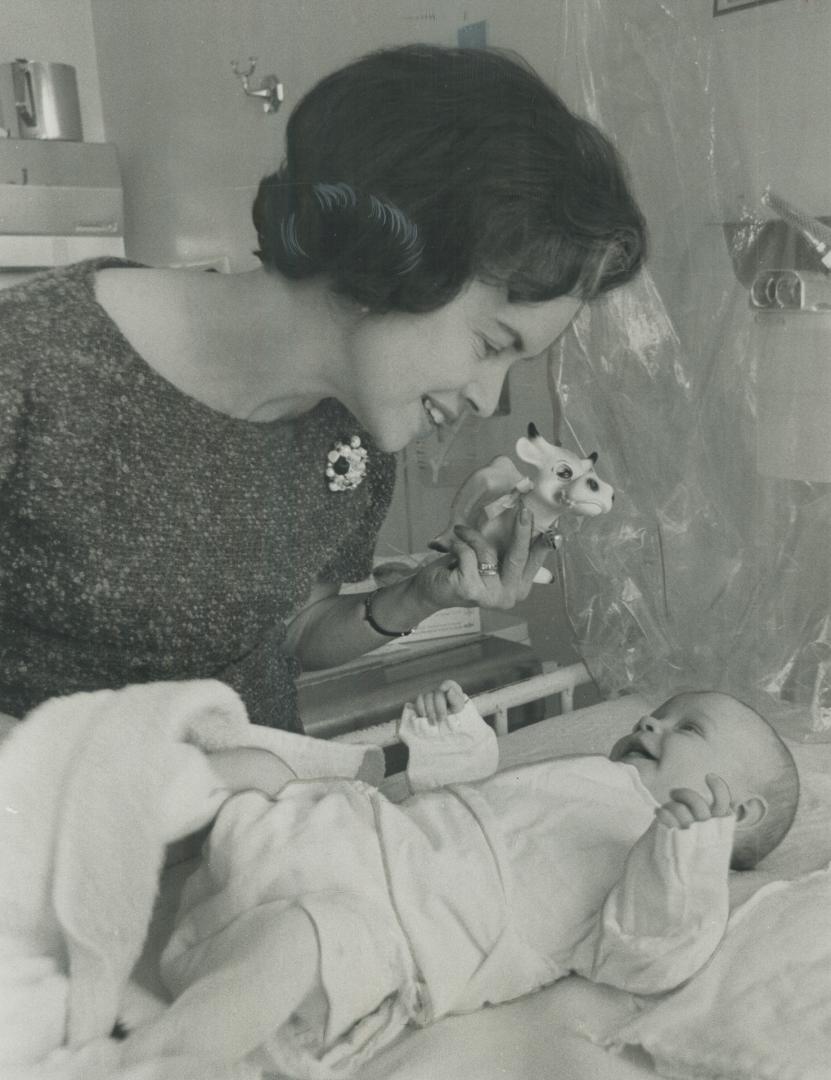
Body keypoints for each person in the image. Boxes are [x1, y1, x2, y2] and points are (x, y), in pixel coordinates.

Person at [0, 45, 646, 731]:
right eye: (492, 345)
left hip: (257, 821)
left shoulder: (354, 434)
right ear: (398, 255)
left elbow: (293, 633)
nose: (487, 399)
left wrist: (422, 595)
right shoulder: (33, 363)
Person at [121, 683, 799, 1075]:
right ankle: (98, 820)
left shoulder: (664, 866)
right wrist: (452, 753)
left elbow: (648, 957)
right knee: (259, 771)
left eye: (685, 727)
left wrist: (687, 854)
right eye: (654, 713)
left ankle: (168, 1054)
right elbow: (477, 805)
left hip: (391, 926)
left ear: (737, 812)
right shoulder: (591, 774)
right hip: (353, 840)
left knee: (301, 940)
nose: (650, 720)